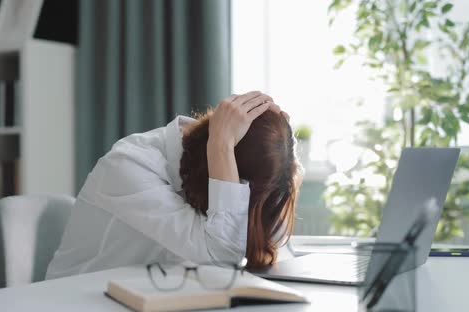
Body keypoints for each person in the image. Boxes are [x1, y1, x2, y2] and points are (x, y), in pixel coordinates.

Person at [45, 91, 303, 280]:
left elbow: (271, 240)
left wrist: (287, 162)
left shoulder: (221, 163)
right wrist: (221, 147)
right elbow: (222, 260)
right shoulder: (129, 165)